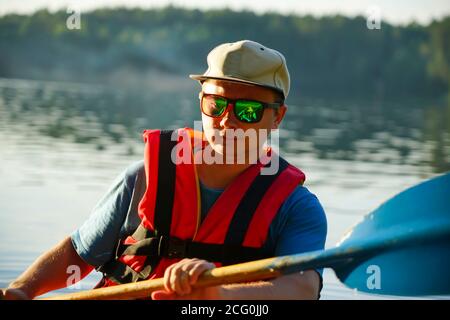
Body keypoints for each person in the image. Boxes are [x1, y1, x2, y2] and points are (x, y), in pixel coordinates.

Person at [1, 40, 327, 300]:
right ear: (202, 101)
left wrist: (217, 293)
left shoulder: (297, 208)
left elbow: (302, 289)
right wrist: (23, 289)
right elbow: (78, 254)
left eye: (248, 110)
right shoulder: (141, 179)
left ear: (278, 117)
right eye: (216, 104)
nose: (228, 120)